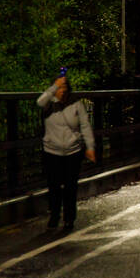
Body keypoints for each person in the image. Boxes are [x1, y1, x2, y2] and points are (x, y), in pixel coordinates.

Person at [37, 74, 96, 230]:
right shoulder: (48, 103)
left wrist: (90, 147)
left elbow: (85, 126)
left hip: (72, 150)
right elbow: (39, 101)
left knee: (70, 186)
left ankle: (69, 218)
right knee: (54, 186)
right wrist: (53, 87)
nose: (61, 91)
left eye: (64, 88)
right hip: (52, 150)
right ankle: (54, 215)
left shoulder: (76, 104)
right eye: (59, 88)